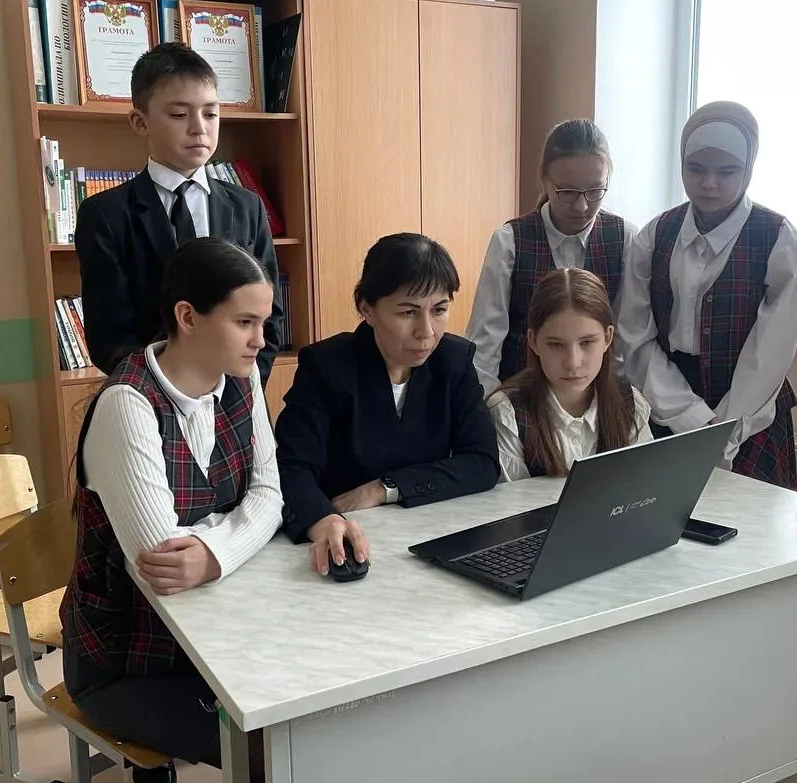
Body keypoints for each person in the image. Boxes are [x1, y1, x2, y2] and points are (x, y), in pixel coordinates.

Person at [618, 102, 797, 783]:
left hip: (752, 423)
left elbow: (772, 350)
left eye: (726, 170)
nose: (708, 182)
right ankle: (657, 762)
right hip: (669, 415)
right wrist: (690, 419)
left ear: (750, 169)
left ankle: (741, 781)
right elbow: (635, 338)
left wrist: (724, 429)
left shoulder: (779, 239)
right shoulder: (654, 236)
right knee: (667, 588)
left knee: (747, 590)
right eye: (695, 167)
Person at [60, 237, 278, 783]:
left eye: (263, 323)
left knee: (311, 720)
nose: (261, 341)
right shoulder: (127, 406)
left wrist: (213, 552)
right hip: (127, 665)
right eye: (245, 323)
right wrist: (233, 533)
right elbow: (163, 563)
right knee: (269, 753)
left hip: (219, 640)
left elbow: (271, 496)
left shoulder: (242, 380)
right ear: (188, 317)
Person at [275, 232, 499, 573]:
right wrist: (324, 521)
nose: (427, 331)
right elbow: (292, 470)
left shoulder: (454, 361)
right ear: (367, 309)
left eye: (439, 310)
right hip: (345, 539)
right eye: (408, 312)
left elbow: (482, 462)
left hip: (426, 537)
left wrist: (385, 488)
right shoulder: (326, 366)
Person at [74, 41, 282, 383]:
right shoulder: (106, 215)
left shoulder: (247, 206)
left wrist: (235, 391)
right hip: (151, 397)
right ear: (140, 122)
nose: (199, 127)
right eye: (179, 115)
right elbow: (109, 336)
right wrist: (171, 394)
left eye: (210, 113)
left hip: (237, 396)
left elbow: (269, 317)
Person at [467, 119, 636, 395]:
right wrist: (488, 407)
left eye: (595, 190)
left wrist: (617, 402)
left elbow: (627, 340)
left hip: (595, 398)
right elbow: (485, 344)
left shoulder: (625, 237)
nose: (582, 206)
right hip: (521, 395)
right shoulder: (510, 240)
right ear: (544, 180)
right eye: (567, 192)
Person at [488, 267, 651, 482]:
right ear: (534, 341)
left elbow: (645, 488)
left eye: (587, 342)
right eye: (556, 345)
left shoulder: (630, 403)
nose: (573, 362)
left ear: (607, 337)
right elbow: (513, 502)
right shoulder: (508, 414)